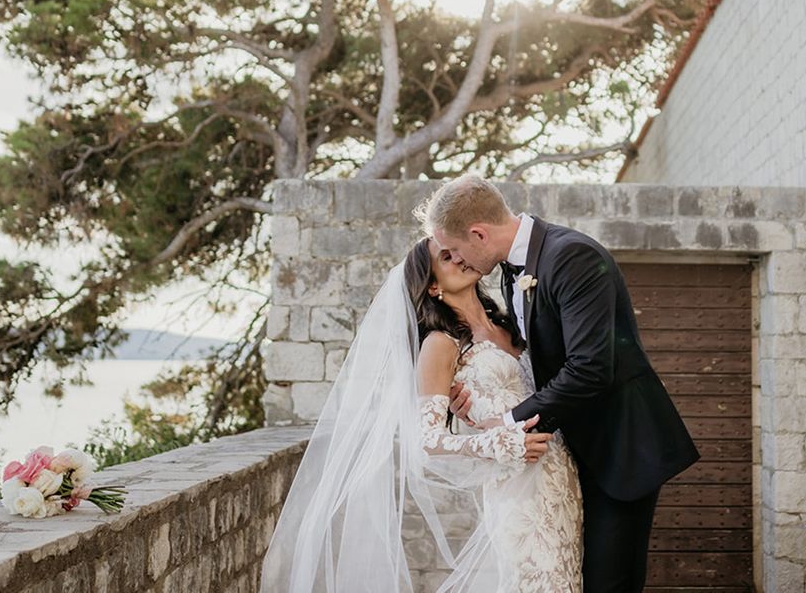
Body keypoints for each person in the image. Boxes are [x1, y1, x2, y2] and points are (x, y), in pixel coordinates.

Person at [420, 174, 700, 593]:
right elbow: (537, 367)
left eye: (456, 250)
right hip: (563, 458)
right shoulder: (512, 274)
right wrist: (476, 403)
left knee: (609, 584)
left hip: (617, 448)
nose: (459, 261)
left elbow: (590, 367)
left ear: (478, 233)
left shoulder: (572, 256)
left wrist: (507, 420)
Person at [260, 235, 583, 593]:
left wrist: (481, 416)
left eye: (457, 250)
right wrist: (499, 441)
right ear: (432, 287)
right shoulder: (441, 344)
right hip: (518, 488)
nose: (459, 258)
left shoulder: (509, 326)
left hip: (562, 472)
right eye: (446, 257)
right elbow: (425, 440)